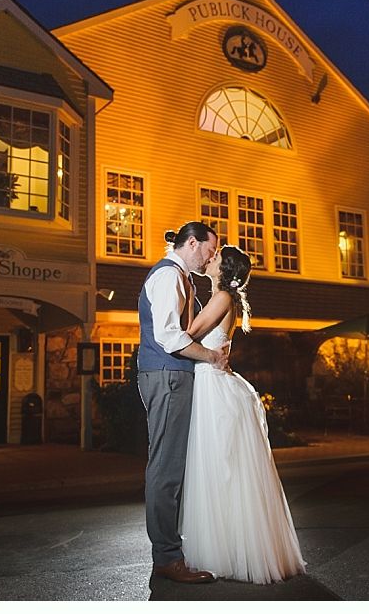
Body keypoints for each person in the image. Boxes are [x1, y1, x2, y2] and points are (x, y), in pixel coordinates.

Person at [180, 245, 307, 584]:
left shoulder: (222, 298)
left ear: (224, 270)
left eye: (217, 257)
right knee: (221, 470)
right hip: (212, 382)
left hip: (212, 387)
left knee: (220, 470)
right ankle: (228, 548)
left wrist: (182, 300)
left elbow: (186, 335)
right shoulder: (223, 298)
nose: (210, 258)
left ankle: (228, 552)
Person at [137, 221, 228, 584]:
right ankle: (167, 558)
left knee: (173, 465)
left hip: (171, 375)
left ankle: (171, 551)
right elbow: (169, 336)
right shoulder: (168, 276)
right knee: (167, 467)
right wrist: (210, 356)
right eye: (210, 249)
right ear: (192, 243)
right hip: (168, 376)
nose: (211, 257)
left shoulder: (182, 278)